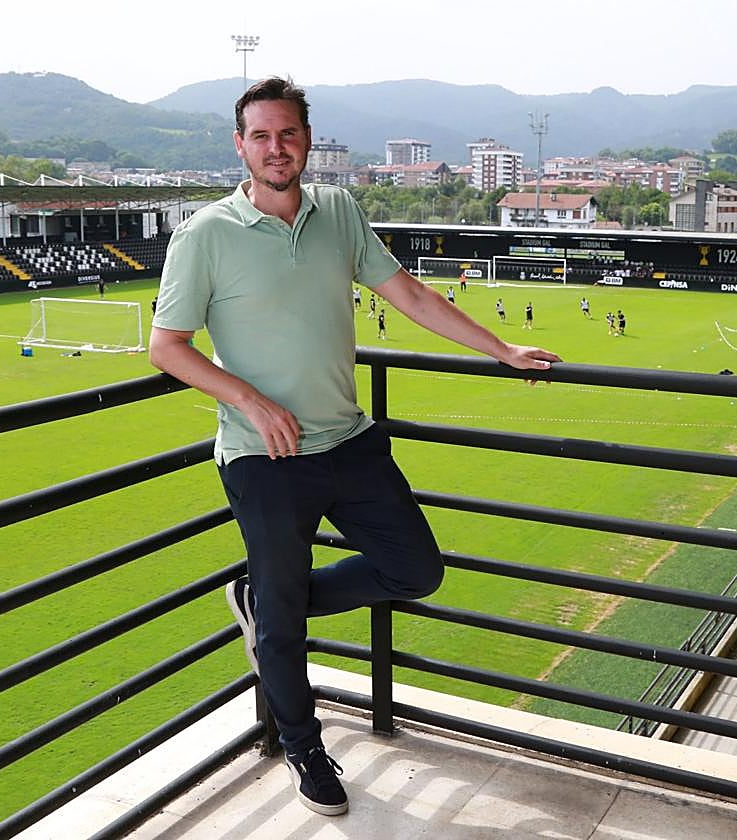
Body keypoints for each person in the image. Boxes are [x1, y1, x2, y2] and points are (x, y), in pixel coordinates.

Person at [148, 77, 559, 818]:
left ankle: (268, 607)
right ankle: (306, 747)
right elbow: (166, 347)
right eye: (262, 136)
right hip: (263, 456)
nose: (278, 148)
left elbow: (410, 295)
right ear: (240, 145)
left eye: (290, 134)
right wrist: (247, 398)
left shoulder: (339, 210)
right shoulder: (204, 234)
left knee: (416, 569)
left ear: (309, 139)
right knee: (282, 621)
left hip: (351, 442)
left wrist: (500, 348)